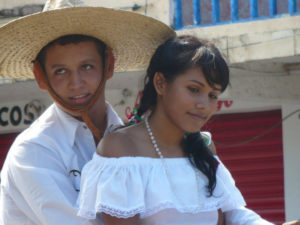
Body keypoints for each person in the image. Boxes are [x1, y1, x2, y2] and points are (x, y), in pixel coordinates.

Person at [0, 0, 175, 224]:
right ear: (40, 76)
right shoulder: (34, 150)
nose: (76, 83)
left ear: (109, 64)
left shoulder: (131, 139)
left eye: (87, 67)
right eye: (60, 71)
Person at [77, 35, 275, 225]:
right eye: (194, 89)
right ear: (160, 83)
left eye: (213, 95)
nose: (204, 105)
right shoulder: (120, 149)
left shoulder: (204, 147)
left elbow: (232, 214)